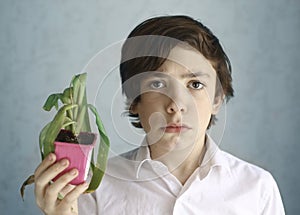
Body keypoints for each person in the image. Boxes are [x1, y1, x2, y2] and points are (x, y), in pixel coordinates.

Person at [33, 15, 285, 214]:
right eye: (157, 84)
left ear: (217, 99)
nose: (176, 105)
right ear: (134, 101)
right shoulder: (94, 188)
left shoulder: (257, 188)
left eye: (195, 85)